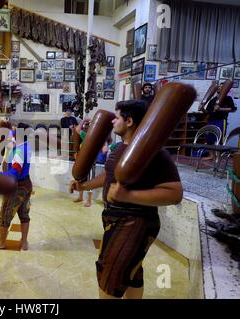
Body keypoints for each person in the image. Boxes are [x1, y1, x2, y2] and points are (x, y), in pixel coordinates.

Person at [70, 100, 183, 299]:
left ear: (129, 121)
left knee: (109, 275)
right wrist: (84, 186)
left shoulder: (154, 153)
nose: (113, 121)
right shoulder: (118, 148)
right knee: (132, 273)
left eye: (117, 117)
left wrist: (129, 196)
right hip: (114, 219)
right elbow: (108, 176)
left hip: (135, 222)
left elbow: (175, 193)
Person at [0, 123, 32, 251]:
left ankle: (1, 242)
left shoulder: (19, 152)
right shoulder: (26, 145)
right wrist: (0, 126)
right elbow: (10, 136)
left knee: (5, 213)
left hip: (16, 187)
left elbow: (14, 173)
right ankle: (24, 243)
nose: (11, 132)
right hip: (27, 185)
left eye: (14, 130)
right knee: (24, 214)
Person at [203, 82, 237, 149]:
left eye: (222, 87)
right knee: (209, 139)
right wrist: (202, 109)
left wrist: (220, 109)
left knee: (220, 139)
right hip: (211, 120)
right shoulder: (212, 100)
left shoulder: (228, 98)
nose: (219, 88)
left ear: (225, 89)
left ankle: (218, 157)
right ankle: (211, 156)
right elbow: (207, 112)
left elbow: (233, 109)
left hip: (221, 120)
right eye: (218, 87)